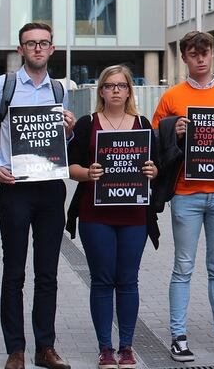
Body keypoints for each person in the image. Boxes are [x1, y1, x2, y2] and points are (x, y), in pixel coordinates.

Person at [0, 22, 76, 369]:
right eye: (31, 43)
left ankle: (45, 348)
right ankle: (15, 350)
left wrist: (68, 131)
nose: (37, 48)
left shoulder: (59, 88)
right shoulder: (2, 85)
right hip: (16, 188)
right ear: (21, 49)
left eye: (43, 43)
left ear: (52, 49)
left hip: (50, 188)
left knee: (47, 273)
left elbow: (61, 142)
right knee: (13, 272)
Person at [151, 31, 214, 363]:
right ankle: (178, 336)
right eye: (194, 54)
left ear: (213, 54)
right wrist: (173, 130)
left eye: (205, 52)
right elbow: (155, 140)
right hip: (186, 193)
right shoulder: (172, 97)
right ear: (185, 58)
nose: (201, 59)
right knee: (183, 266)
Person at [67, 65, 158, 369]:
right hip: (95, 215)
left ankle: (127, 347)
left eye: (121, 85)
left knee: (128, 280)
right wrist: (87, 173)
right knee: (102, 280)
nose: (116, 90)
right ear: (101, 91)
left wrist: (153, 170)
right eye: (109, 85)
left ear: (129, 91)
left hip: (134, 215)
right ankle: (105, 349)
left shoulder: (142, 124)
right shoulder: (87, 124)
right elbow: (70, 167)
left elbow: (155, 166)